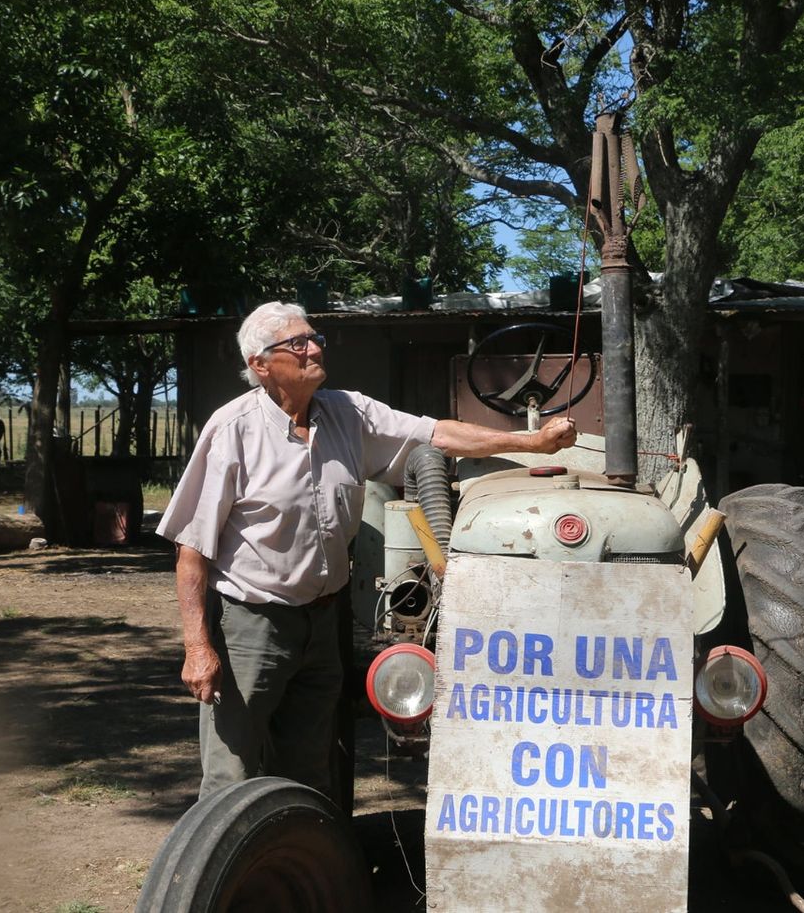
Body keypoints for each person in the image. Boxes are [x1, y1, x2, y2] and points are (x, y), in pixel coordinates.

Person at [156, 301, 577, 799]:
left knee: (310, 769)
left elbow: (435, 433)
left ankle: (303, 870)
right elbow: (191, 553)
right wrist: (197, 647)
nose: (313, 348)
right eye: (297, 343)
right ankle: (225, 873)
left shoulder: (348, 412)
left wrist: (530, 443)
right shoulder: (232, 430)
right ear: (260, 365)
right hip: (251, 624)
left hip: (323, 623)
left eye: (314, 339)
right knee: (232, 771)